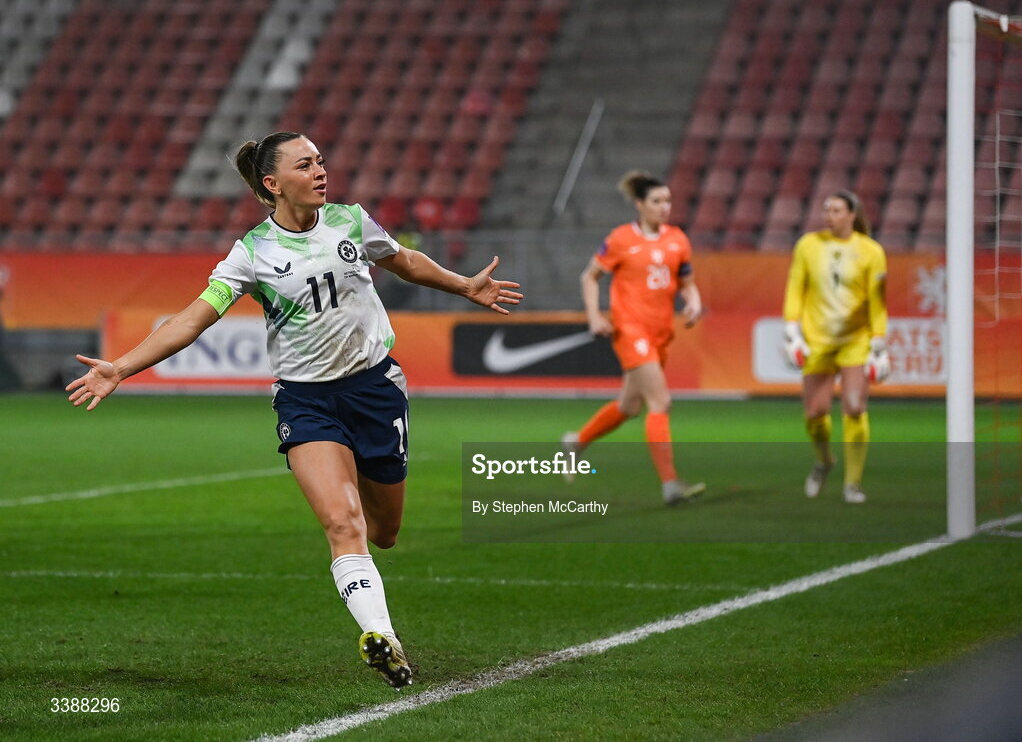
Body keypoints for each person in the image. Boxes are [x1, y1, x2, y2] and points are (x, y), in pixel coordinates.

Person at [66, 132, 523, 689]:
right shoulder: (252, 252)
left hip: (376, 390)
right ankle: (384, 639)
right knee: (342, 523)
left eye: (321, 161)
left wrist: (462, 285)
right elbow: (193, 318)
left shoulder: (351, 221)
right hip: (307, 401)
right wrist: (122, 366)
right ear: (273, 183)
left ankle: (378, 608)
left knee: (384, 531)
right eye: (305, 165)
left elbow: (402, 260)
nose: (320, 172)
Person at [563, 171, 705, 506]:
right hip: (631, 330)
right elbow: (590, 276)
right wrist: (595, 315)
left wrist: (695, 300)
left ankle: (576, 441)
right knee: (661, 402)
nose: (664, 207)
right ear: (640, 205)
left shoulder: (678, 240)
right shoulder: (621, 239)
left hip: (661, 333)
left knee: (629, 406)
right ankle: (671, 485)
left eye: (668, 200)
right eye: (657, 201)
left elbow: (687, 281)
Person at [782, 189, 890, 504]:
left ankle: (852, 483)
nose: (829, 216)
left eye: (836, 210)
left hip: (855, 341)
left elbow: (877, 301)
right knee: (815, 413)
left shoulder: (871, 251)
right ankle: (824, 461)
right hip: (818, 341)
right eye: (827, 210)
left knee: (855, 407)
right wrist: (792, 330)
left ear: (852, 215)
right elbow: (795, 287)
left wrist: (878, 343)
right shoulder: (808, 245)